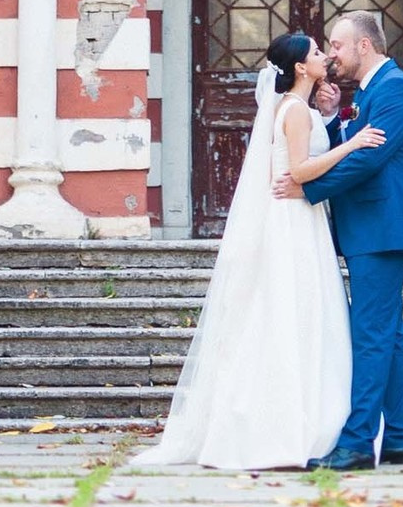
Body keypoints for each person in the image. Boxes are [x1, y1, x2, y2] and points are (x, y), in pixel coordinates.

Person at [134, 31, 387, 470]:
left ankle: (304, 417)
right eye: (314, 52)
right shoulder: (292, 110)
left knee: (300, 312)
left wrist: (329, 118)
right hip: (294, 221)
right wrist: (353, 142)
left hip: (301, 218)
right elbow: (300, 169)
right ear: (299, 68)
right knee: (294, 311)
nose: (324, 56)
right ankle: (291, 424)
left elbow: (301, 159)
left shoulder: (299, 109)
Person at [275, 9, 403, 471]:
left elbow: (369, 159)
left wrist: (307, 189)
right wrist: (330, 116)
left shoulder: (397, 88)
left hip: (381, 229)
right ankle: (398, 439)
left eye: (337, 46)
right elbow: (354, 141)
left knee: (370, 337)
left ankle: (359, 441)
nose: (332, 54)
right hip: (368, 227)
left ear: (365, 45)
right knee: (390, 336)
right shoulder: (369, 92)